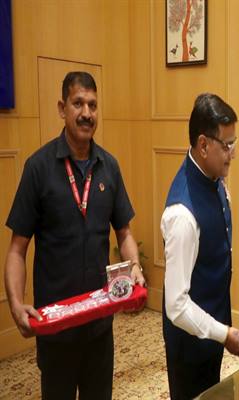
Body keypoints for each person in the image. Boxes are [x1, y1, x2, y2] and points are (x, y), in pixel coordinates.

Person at [4, 71, 144, 400]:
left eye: (92, 105)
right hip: (56, 330)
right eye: (78, 103)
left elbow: (124, 232)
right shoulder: (38, 168)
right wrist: (15, 304)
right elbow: (16, 250)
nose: (86, 113)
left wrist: (135, 266)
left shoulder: (109, 166)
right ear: (61, 108)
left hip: (99, 326)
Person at [161, 93, 239, 399]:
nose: (232, 154)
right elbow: (176, 306)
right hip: (189, 346)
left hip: (213, 334)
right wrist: (223, 333)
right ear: (203, 145)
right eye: (227, 145)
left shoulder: (214, 177)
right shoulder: (182, 216)